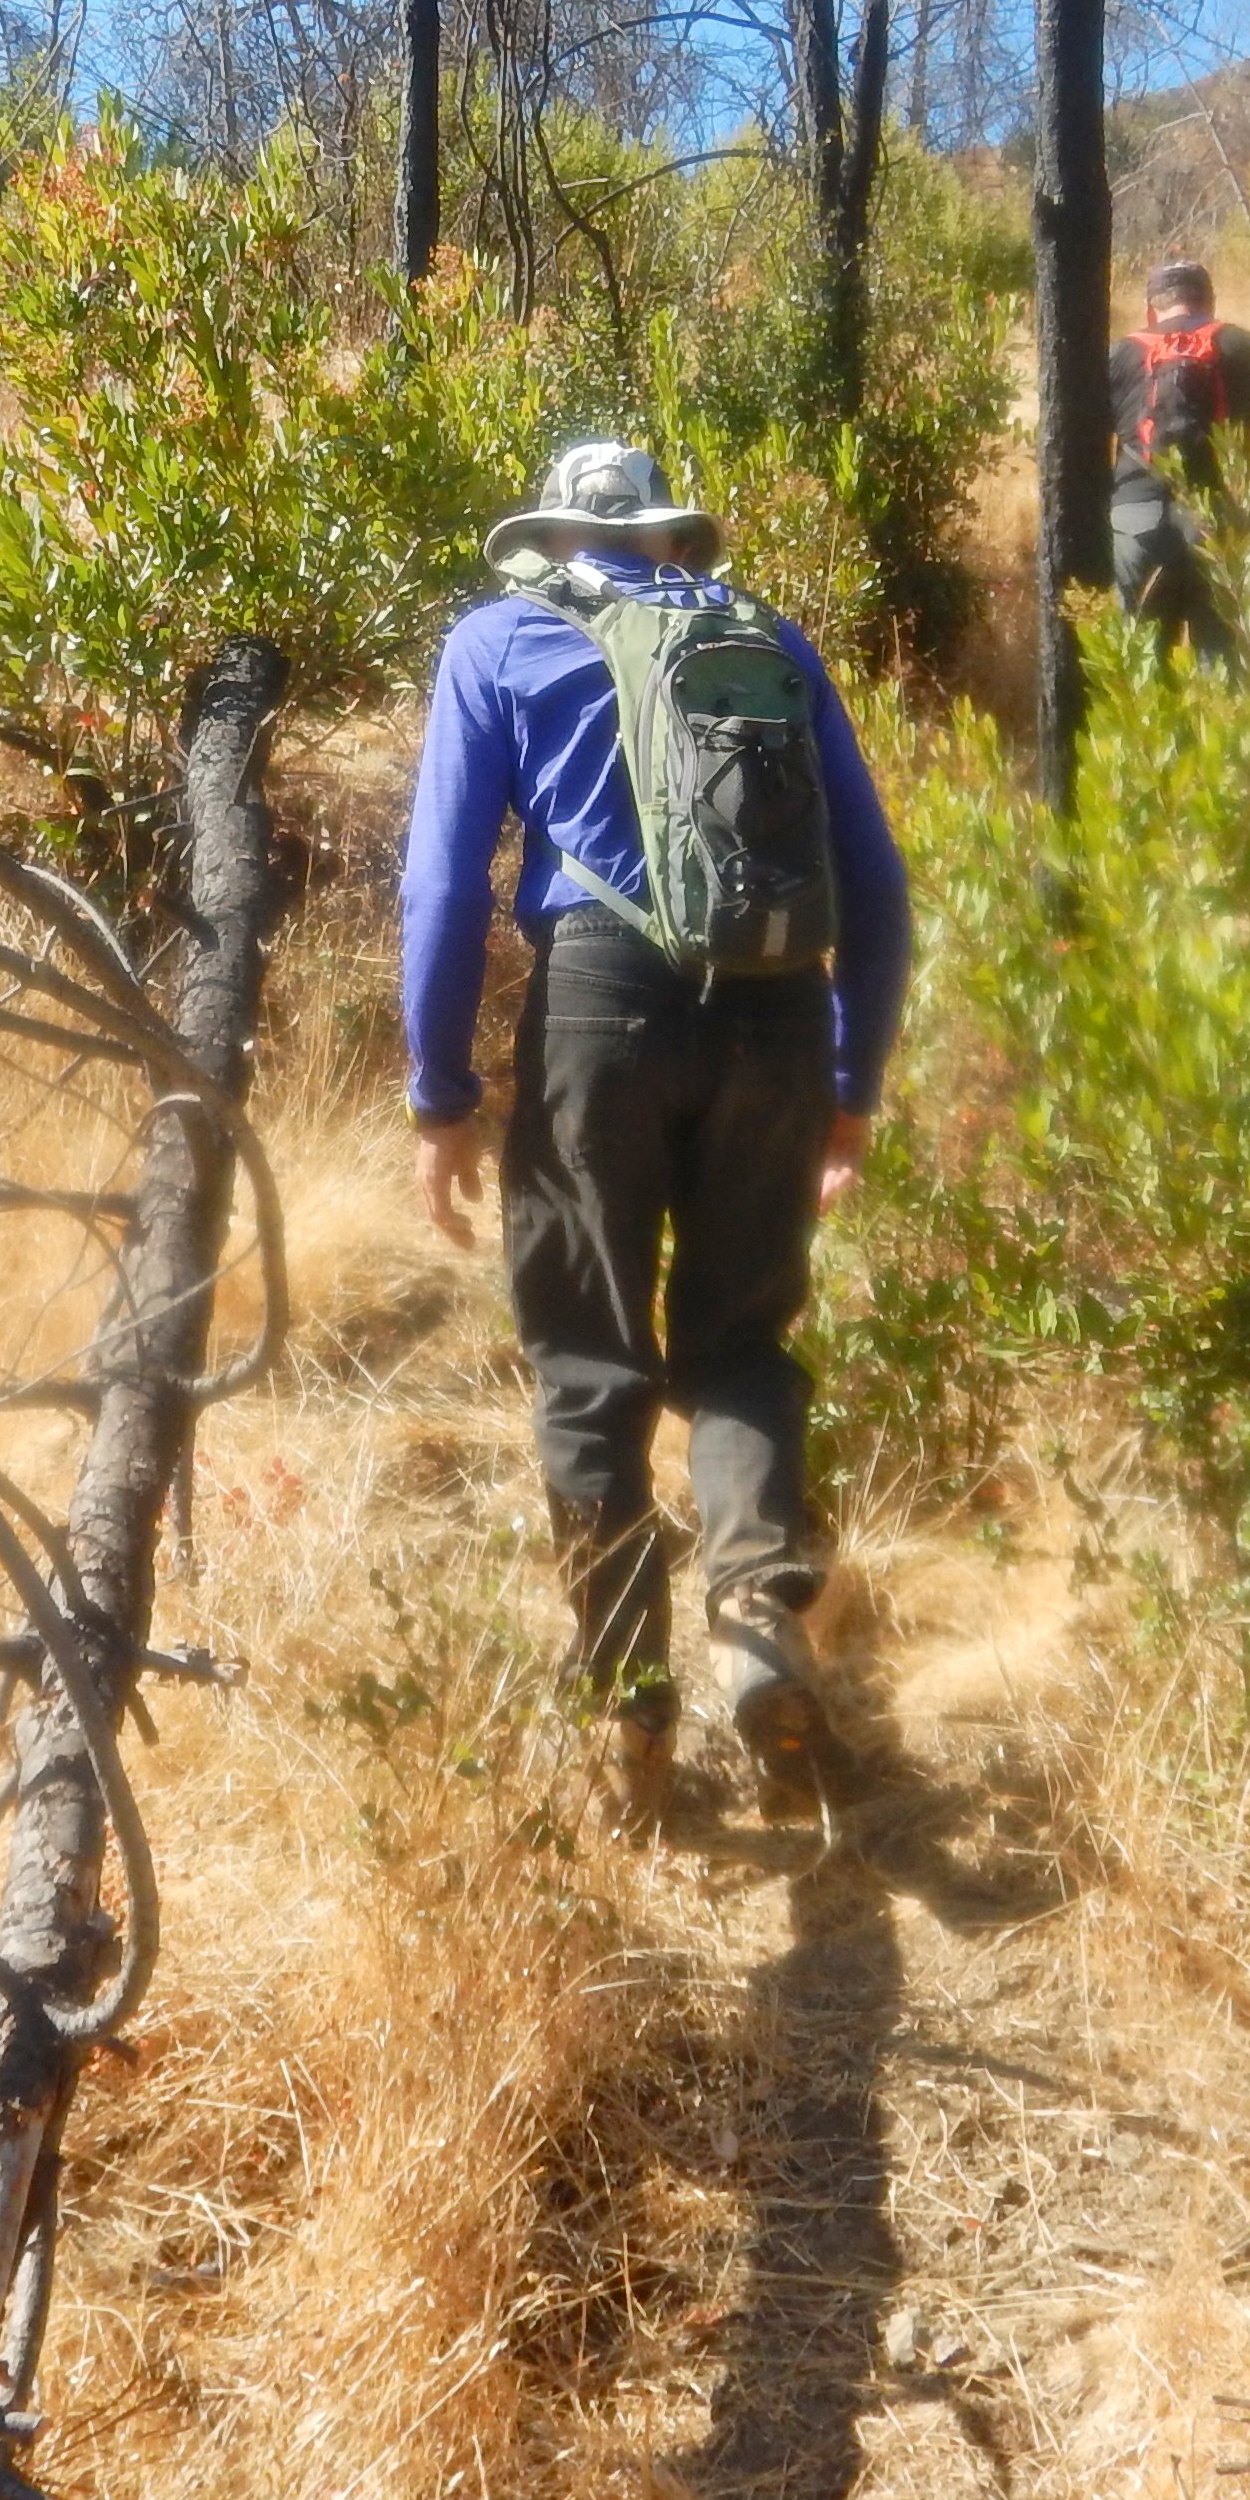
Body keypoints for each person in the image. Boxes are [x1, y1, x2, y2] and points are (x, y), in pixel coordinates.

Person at [400, 440, 913, 1824]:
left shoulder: (500, 637)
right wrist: (852, 1082)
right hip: (777, 1010)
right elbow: (876, 885)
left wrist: (440, 1094)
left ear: (558, 541)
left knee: (589, 1359)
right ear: (673, 542)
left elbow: (444, 886)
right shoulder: (768, 638)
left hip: (598, 1005)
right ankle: (753, 1603)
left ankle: (628, 1709)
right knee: (741, 1341)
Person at [1110, 259, 1250, 658]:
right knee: (1229, 677)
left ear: (1150, 309)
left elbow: (1084, 466)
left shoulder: (1118, 355)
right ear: (1210, 304)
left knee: (1140, 682)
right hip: (1223, 527)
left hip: (1137, 527)